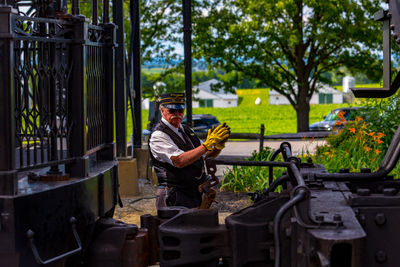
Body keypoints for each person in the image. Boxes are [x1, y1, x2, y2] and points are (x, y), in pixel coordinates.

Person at [149, 92, 230, 209]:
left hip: (192, 193)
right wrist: (207, 145)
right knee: (174, 227)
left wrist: (218, 146)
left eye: (180, 111)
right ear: (162, 110)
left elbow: (204, 155)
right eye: (172, 111)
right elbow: (179, 161)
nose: (177, 114)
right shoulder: (159, 135)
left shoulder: (186, 130)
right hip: (174, 195)